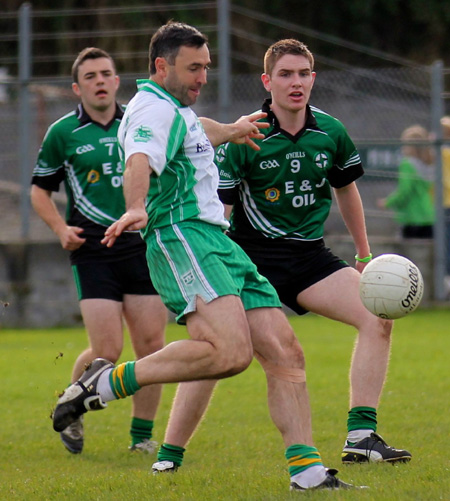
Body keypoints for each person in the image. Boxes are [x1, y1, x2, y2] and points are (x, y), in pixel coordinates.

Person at [52, 23, 358, 491]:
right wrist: (135, 205)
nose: (203, 77)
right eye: (194, 68)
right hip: (182, 236)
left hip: (218, 239)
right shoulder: (151, 112)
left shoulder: (173, 108)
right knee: (231, 353)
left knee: (284, 350)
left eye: (207, 67)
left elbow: (195, 131)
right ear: (161, 65)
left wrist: (232, 130)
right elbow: (140, 158)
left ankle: (308, 473)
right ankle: (104, 385)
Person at [151, 38, 412, 474]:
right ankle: (169, 456)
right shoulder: (244, 135)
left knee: (377, 316)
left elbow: (346, 189)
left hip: (311, 259)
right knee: (216, 352)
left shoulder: (331, 132)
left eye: (303, 73)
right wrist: (212, 269)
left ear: (313, 78)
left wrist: (365, 255)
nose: (296, 83)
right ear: (267, 81)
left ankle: (361, 437)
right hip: (251, 260)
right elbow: (221, 210)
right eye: (286, 74)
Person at [31, 47, 168, 455]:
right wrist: (60, 228)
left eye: (106, 73)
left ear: (117, 80)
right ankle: (70, 410)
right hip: (91, 248)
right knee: (107, 351)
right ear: (77, 87)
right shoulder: (63, 133)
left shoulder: (140, 125)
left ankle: (141, 437)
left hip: (141, 244)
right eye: (90, 76)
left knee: (152, 347)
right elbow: (40, 192)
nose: (100, 81)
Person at [377, 125, 434, 239]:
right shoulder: (431, 165)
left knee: (409, 253)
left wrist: (388, 202)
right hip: (430, 215)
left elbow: (405, 191)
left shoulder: (407, 164)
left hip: (412, 217)